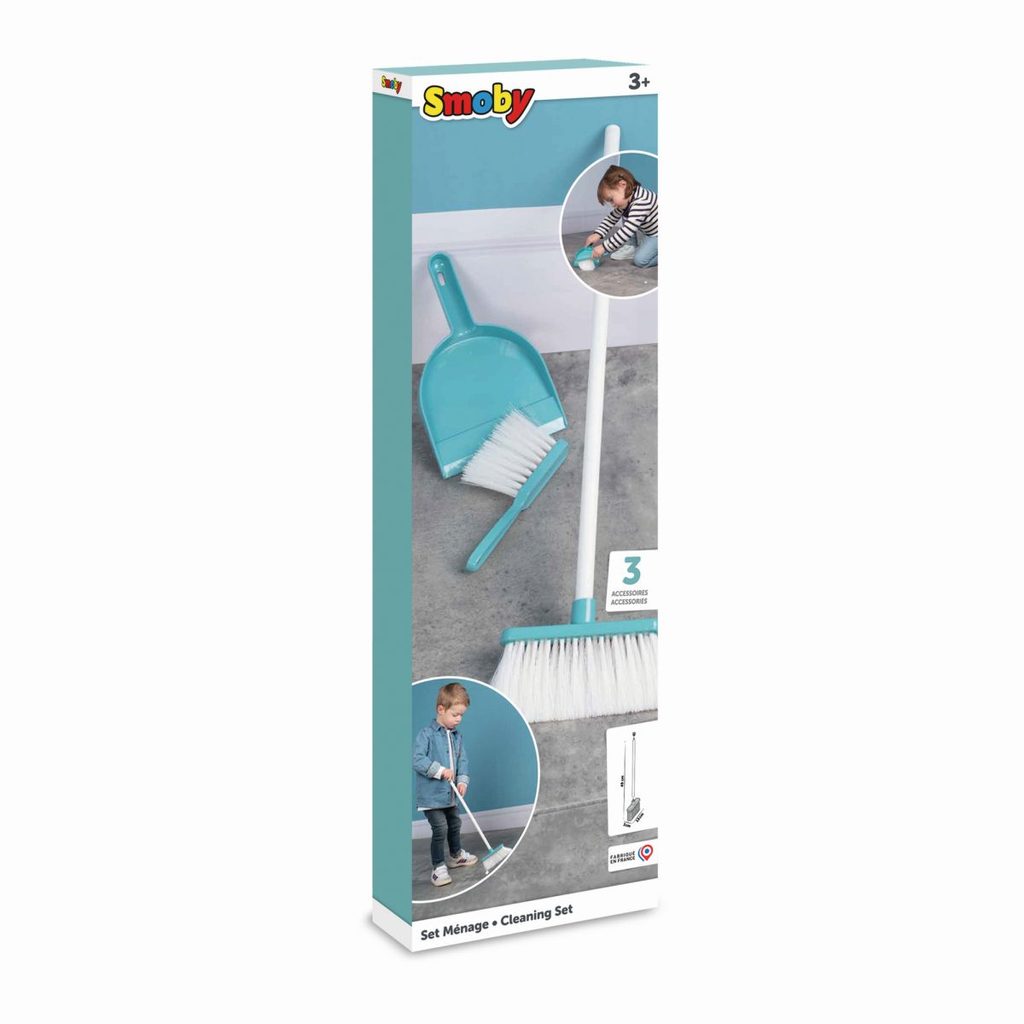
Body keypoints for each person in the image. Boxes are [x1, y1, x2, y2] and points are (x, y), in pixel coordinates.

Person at [412, 682, 479, 887]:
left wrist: (462, 781)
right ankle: (438, 867)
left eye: (461, 715)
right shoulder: (426, 734)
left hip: (450, 795)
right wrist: (441, 771)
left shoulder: (457, 737)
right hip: (432, 797)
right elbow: (417, 760)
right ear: (441, 709)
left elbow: (462, 761)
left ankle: (455, 855)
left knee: (455, 824)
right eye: (455, 714)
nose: (459, 719)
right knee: (440, 828)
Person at [585, 164, 659, 268]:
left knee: (640, 260)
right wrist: (597, 233)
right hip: (650, 232)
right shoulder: (628, 197)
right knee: (624, 213)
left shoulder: (642, 201)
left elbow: (627, 230)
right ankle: (631, 246)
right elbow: (611, 218)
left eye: (611, 199)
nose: (612, 204)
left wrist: (603, 247)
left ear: (622, 185)